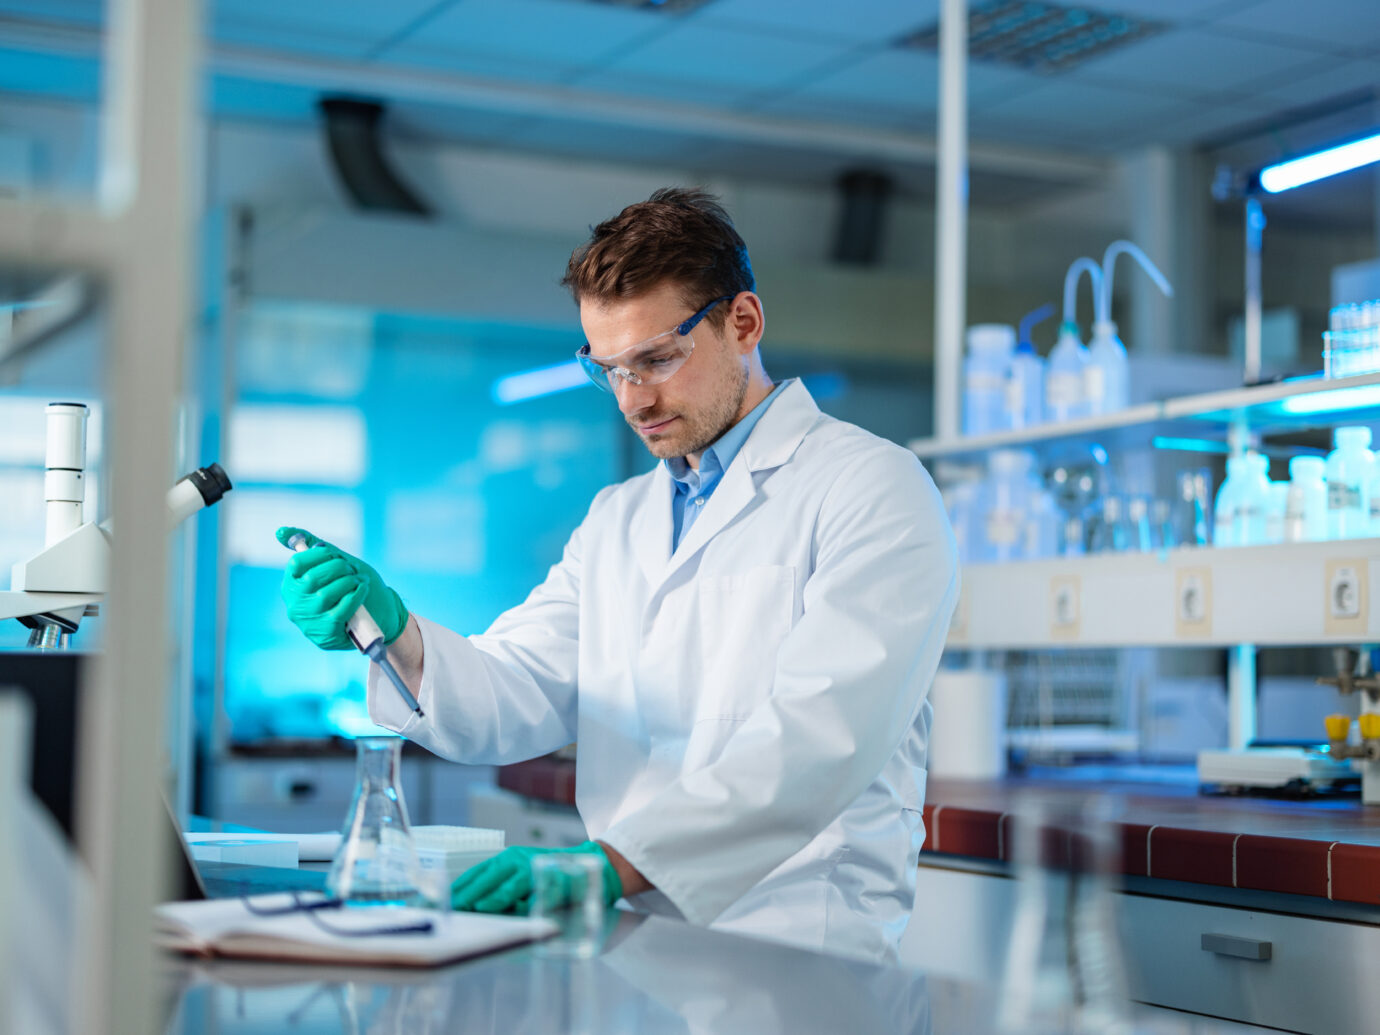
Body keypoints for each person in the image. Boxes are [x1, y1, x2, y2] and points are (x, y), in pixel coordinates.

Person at [278, 187, 959, 964]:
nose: (634, 399)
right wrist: (395, 633)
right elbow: (521, 685)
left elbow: (824, 736)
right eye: (609, 371)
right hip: (634, 944)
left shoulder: (871, 486)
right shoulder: (618, 517)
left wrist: (609, 865)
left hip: (794, 945)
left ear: (743, 323)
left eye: (657, 359)